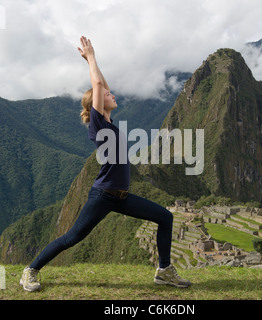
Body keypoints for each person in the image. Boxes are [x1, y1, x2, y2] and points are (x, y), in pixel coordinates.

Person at [20, 36, 191, 292]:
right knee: (72, 237)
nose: (112, 92)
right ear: (97, 104)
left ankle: (164, 271)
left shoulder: (108, 123)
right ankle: (30, 271)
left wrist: (97, 68)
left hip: (121, 196)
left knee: (165, 217)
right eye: (107, 94)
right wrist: (91, 57)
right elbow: (98, 83)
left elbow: (103, 83)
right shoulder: (97, 124)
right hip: (102, 196)